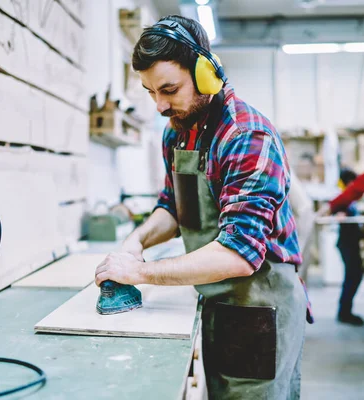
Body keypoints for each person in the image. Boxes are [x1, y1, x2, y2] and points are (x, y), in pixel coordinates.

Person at [95, 15, 309, 400]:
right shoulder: (177, 131)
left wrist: (140, 273)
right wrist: (136, 241)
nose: (160, 105)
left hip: (258, 304)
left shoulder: (246, 137)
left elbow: (240, 254)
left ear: (206, 74)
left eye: (169, 89)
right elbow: (174, 208)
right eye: (150, 92)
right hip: (213, 297)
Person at [334, 168, 364, 326]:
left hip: (350, 243)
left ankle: (345, 311)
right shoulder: (344, 199)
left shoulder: (350, 199)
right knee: (352, 276)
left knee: (354, 276)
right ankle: (344, 312)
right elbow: (340, 217)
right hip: (346, 244)